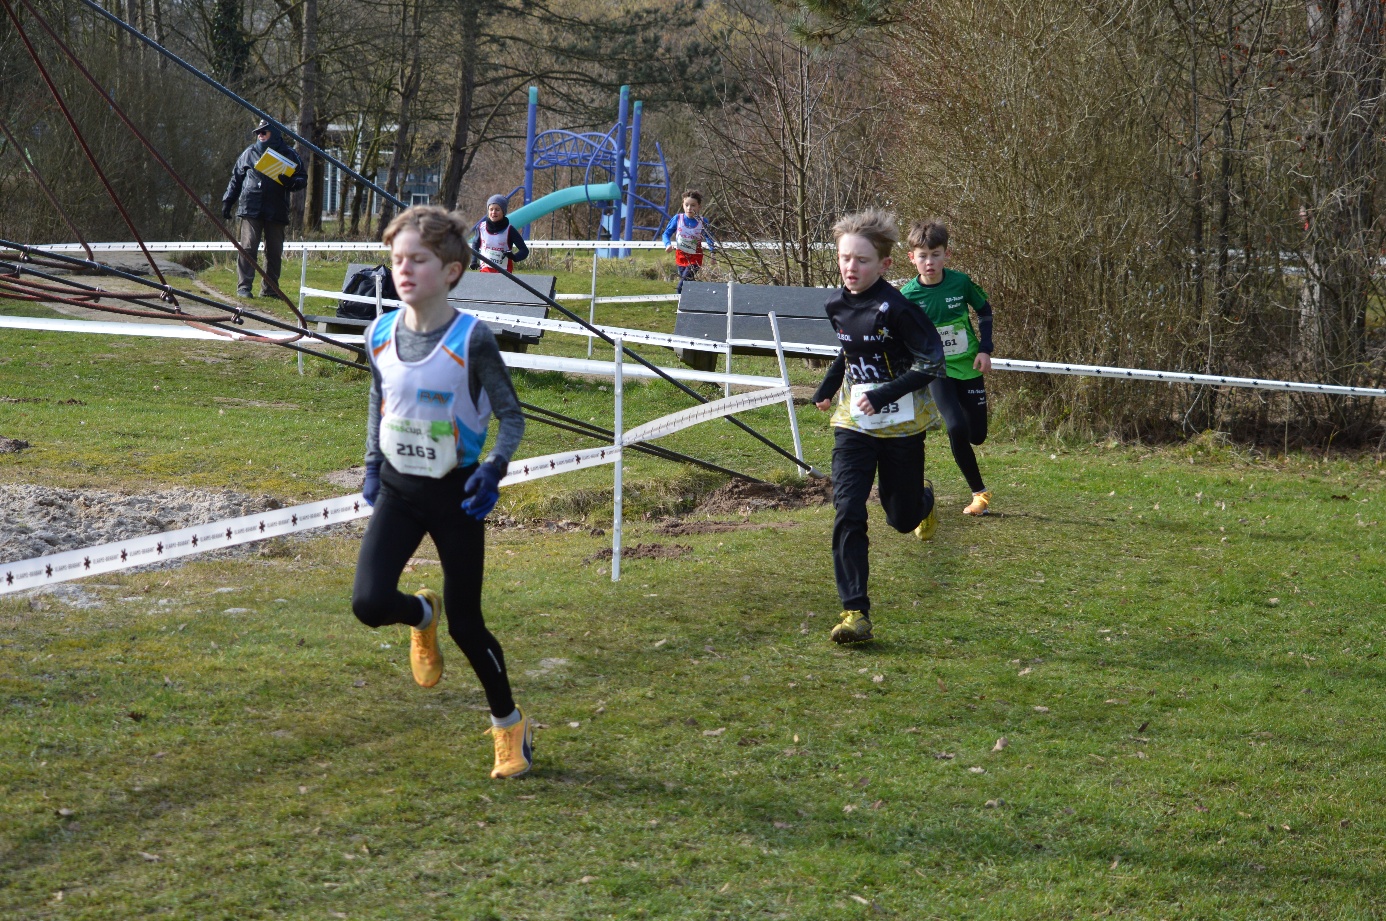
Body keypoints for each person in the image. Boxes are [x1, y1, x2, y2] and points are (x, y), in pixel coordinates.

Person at [350, 205, 534, 779]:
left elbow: (512, 417)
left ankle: (510, 728)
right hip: (401, 491)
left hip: (458, 494)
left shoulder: (471, 338)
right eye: (397, 258)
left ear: (451, 270)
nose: (404, 270)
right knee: (369, 603)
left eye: (418, 260)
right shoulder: (377, 331)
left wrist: (494, 468)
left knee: (468, 625)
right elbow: (381, 403)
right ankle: (417, 613)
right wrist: (372, 468)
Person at [812, 209, 946, 645]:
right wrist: (828, 387)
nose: (851, 268)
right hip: (853, 424)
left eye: (862, 260)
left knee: (900, 518)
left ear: (885, 264)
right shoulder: (835, 304)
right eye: (845, 258)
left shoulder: (900, 309)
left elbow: (933, 363)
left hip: (902, 427)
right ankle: (855, 612)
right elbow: (848, 351)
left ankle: (923, 502)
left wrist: (884, 394)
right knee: (848, 509)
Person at [899, 220, 995, 516]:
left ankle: (967, 441)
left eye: (936, 254)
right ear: (911, 257)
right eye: (923, 255)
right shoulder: (907, 295)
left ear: (947, 254)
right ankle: (980, 494)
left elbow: (984, 310)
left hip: (967, 365)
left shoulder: (960, 282)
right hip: (935, 369)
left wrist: (984, 349)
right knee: (954, 426)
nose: (930, 262)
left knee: (976, 434)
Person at [221, 119, 306, 299]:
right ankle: (244, 287)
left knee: (274, 251)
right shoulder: (249, 153)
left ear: (274, 133)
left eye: (264, 132)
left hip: (276, 209)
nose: (260, 135)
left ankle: (270, 289)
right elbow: (236, 179)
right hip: (251, 207)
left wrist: (291, 182)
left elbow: (302, 179)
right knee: (248, 247)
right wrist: (228, 201)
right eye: (258, 132)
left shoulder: (290, 154)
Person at [660, 189, 716, 293]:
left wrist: (713, 253)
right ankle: (694, 302)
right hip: (681, 256)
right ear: (683, 205)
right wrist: (667, 244)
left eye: (693, 205)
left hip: (695, 256)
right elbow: (666, 234)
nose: (689, 208)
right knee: (688, 283)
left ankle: (680, 300)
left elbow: (709, 238)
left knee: (682, 285)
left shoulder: (702, 221)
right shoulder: (678, 218)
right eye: (687, 205)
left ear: (699, 206)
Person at [469, 194, 529, 273]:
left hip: (504, 273)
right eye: (491, 209)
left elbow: (524, 251)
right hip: (485, 271)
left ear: (503, 212)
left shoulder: (509, 230)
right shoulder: (481, 228)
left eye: (497, 209)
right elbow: (475, 245)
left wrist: (514, 257)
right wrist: (473, 260)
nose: (493, 212)